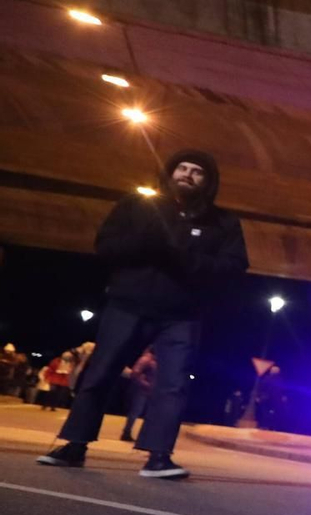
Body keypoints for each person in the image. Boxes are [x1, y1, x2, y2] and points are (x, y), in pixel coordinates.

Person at [36, 150, 248, 479]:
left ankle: (159, 457)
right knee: (100, 373)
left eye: (197, 172)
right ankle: (74, 446)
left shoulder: (223, 223)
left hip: (182, 314)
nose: (188, 175)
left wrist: (184, 259)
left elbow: (233, 268)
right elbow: (106, 246)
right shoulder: (136, 207)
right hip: (127, 304)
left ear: (208, 181)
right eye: (183, 168)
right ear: (170, 172)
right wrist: (146, 243)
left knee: (173, 384)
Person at [120, 348, 157, 442]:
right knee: (136, 411)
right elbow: (135, 373)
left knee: (145, 412)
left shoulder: (155, 360)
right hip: (141, 390)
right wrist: (144, 383)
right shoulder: (146, 359)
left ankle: (144, 436)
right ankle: (126, 432)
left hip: (149, 390)